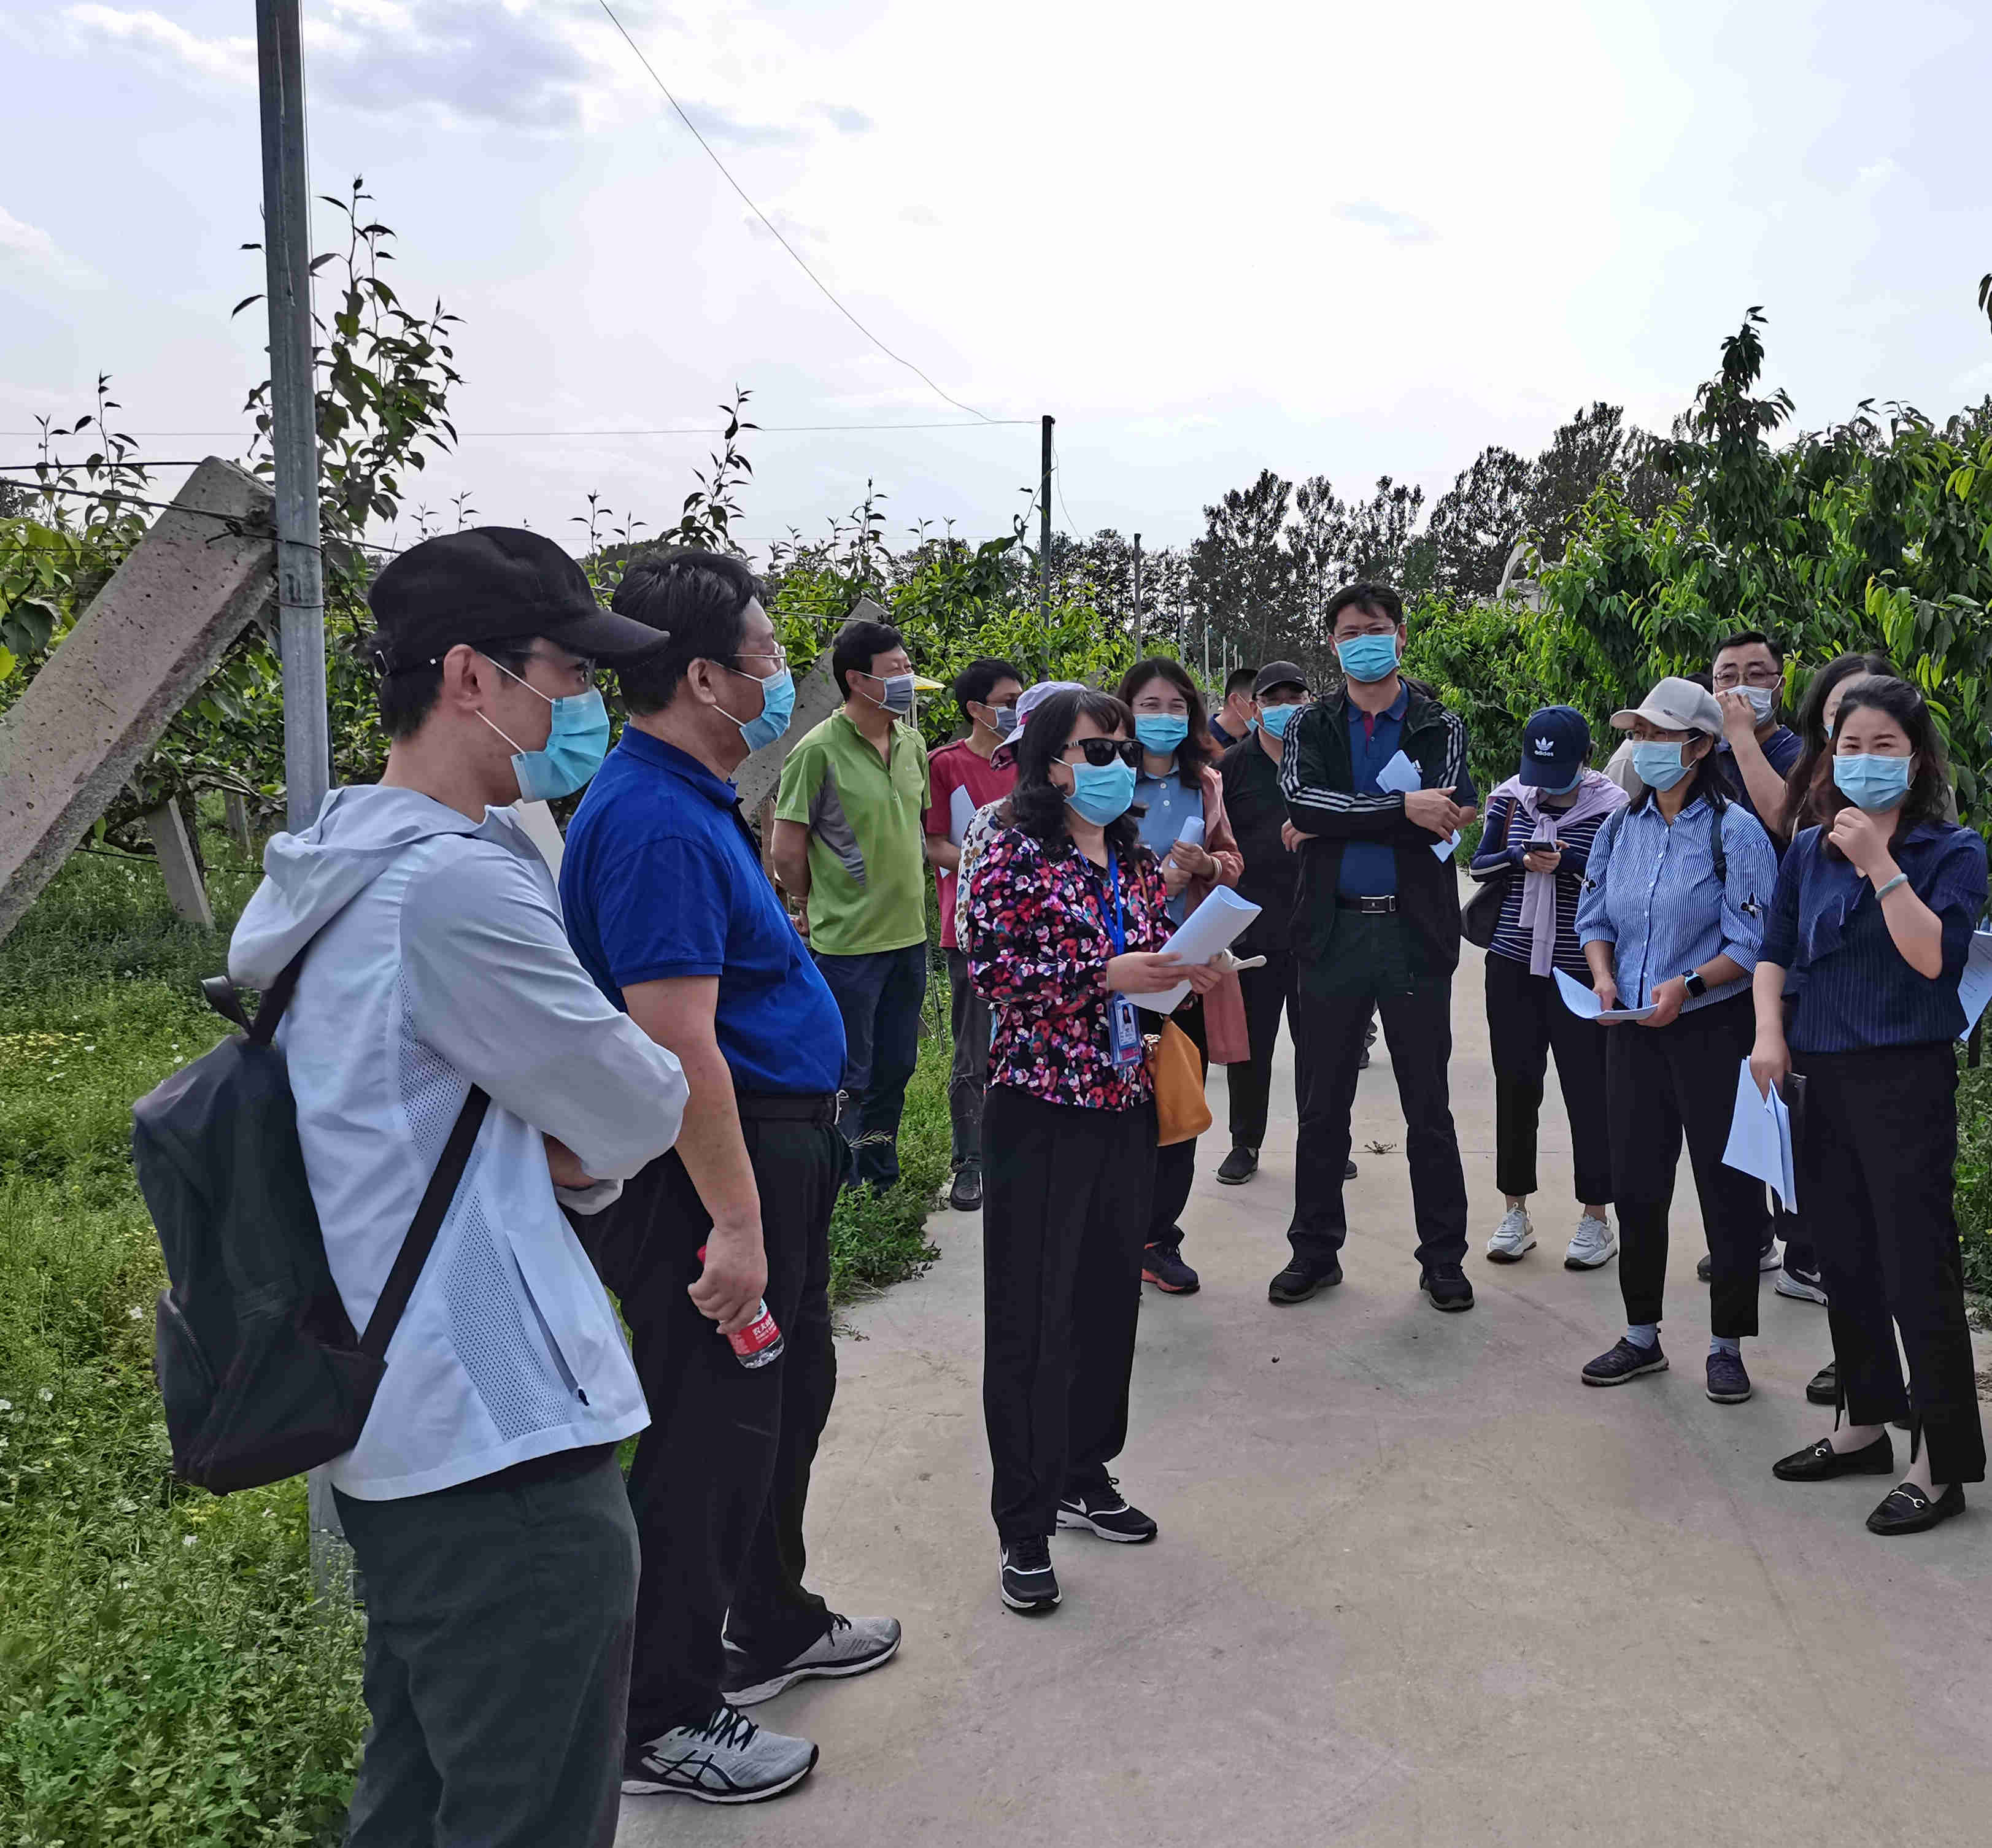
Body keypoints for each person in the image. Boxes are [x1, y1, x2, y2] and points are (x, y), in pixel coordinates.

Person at [228, 528, 691, 1848]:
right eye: (570, 673)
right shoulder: (453, 885)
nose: (586, 705)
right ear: (472, 678)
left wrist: (534, 1132)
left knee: (420, 1793)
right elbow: (640, 1104)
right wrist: (559, 1138)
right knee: (526, 1813)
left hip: (399, 1423)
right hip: (505, 1445)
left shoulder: (335, 862)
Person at [561, 551, 899, 1805]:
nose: (777, 676)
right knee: (709, 1431)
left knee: (782, 1398)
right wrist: (737, 1222)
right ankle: (662, 1713)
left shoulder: (693, 800)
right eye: (765, 655)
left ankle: (767, 1617)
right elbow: (676, 1046)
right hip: (719, 1162)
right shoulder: (652, 823)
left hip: (770, 1144)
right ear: (704, 676)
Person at [965, 688, 1226, 1615]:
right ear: (1050, 762)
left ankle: (1084, 1472)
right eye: (1098, 750)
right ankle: (1023, 1521)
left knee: (1106, 1301)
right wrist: (1098, 974)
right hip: (1040, 1109)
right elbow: (990, 969)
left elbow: (1146, 963)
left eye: (1123, 748)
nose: (1118, 765)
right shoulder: (1010, 849)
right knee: (1031, 1317)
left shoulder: (1132, 857)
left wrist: (1187, 969)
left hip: (1123, 1102)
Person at [1753, 674, 1988, 1536]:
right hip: (1818, 1072)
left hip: (1902, 1079)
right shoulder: (1808, 849)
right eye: (1849, 745)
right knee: (1844, 1257)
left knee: (1915, 1265)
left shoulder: (1951, 851)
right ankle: (1862, 1425)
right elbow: (1775, 948)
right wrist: (1768, 1033)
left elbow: (1933, 959)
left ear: (1916, 759)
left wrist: (1880, 866)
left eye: (1883, 745)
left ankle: (1940, 1463)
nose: (1863, 760)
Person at [1270, 582, 1480, 1312]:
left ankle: (1443, 1259)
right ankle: (1313, 1251)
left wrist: (1341, 820)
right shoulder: (1311, 724)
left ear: (1401, 635)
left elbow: (1445, 811)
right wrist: (1398, 808)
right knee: (1322, 1104)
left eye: (1378, 627)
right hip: (1332, 933)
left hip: (1412, 933)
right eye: (1352, 631)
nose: (1366, 640)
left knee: (1429, 1106)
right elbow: (1301, 801)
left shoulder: (1437, 723)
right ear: (1333, 644)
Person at [1575, 676, 1778, 1404]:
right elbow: (1595, 917)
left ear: (1699, 746)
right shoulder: (1618, 829)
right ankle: (1641, 1335)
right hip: (1631, 1029)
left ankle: (1728, 1345)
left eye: (1659, 735)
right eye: (1639, 734)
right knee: (1637, 1183)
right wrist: (1604, 977)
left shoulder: (1736, 832)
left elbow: (1753, 941)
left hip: (1711, 1029)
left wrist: (1687, 986)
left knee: (1728, 1190)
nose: (1645, 747)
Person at [771, 615, 930, 1191]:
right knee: (849, 1073)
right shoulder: (817, 752)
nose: (908, 678)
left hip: (909, 935)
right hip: (848, 946)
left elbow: (914, 826)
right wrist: (808, 899)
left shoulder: (912, 743)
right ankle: (842, 1180)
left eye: (908, 667)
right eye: (896, 670)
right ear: (858, 681)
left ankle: (880, 1173)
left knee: (897, 1064)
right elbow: (786, 849)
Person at [1469, 706, 1627, 1268]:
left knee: (1590, 1091)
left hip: (1579, 970)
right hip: (1512, 965)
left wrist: (1566, 862)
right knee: (1516, 1087)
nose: (1544, 784)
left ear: (1585, 759)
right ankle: (1515, 1210)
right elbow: (1480, 864)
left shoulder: (1613, 808)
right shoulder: (1511, 798)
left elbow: (1619, 880)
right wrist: (1519, 856)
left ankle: (1596, 1217)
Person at [1118, 656, 1246, 1295]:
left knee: (1178, 1102)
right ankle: (1113, 1232)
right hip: (1120, 968)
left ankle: (1158, 1239)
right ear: (1125, 712)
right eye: (1149, 705)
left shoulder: (1206, 783)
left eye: (1176, 706)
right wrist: (1149, 881)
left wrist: (1206, 867)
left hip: (1187, 966)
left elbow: (1233, 860)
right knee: (1120, 1104)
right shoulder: (1104, 780)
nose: (1163, 717)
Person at [924, 657, 1025, 1211]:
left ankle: (1015, 1151)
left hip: (1031, 928)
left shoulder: (1031, 762)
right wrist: (988, 865)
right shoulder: (946, 765)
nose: (1015, 710)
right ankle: (969, 1162)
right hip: (971, 928)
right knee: (973, 1047)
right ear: (975, 709)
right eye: (1007, 702)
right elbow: (935, 842)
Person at [1216, 661, 1314, 1187]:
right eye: (1273, 700)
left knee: (1320, 1046)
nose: (1285, 709)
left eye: (1295, 699)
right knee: (1251, 1046)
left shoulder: (1324, 761)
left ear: (1310, 703)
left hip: (1318, 927)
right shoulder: (1232, 766)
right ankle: (1245, 1142)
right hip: (1252, 930)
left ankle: (1322, 1141)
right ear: (1254, 709)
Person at [1711, 630, 1803, 833]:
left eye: (1756, 675)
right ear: (1713, 686)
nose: (1741, 688)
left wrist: (1741, 735)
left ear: (1781, 686)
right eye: (1727, 677)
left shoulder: (1805, 756)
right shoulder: (1704, 754)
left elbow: (1788, 825)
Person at [1209, 664, 1259, 749]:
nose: (1267, 708)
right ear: (1235, 701)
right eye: (1260, 700)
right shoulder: (1201, 742)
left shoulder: (1260, 741)